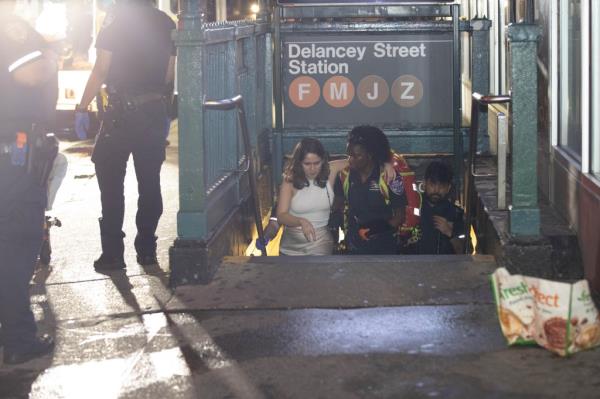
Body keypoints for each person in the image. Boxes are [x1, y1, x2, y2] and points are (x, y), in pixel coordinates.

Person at [75, 0, 176, 270]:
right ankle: (146, 250)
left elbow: (101, 70)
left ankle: (113, 254)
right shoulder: (166, 23)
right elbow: (169, 73)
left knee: (110, 182)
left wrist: (82, 107)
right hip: (154, 112)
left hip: (120, 115)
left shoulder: (115, 24)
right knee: (149, 182)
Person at [0, 0, 58, 364]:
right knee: (17, 242)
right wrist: (52, 56)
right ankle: (19, 339)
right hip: (13, 152)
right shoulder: (12, 30)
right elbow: (29, 73)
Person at [333, 125, 407, 255]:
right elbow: (337, 207)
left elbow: (400, 217)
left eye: (356, 156)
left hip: (384, 248)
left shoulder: (389, 177)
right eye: (349, 155)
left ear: (370, 155)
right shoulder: (344, 176)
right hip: (354, 248)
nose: (350, 160)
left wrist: (373, 230)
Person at [276, 138, 345, 256]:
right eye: (307, 164)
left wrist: (388, 162)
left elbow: (362, 159)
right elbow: (281, 216)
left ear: (323, 161)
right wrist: (301, 221)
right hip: (290, 244)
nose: (312, 169)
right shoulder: (289, 180)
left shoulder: (331, 170)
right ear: (299, 162)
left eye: (317, 163)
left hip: (320, 242)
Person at [413, 161, 465, 255]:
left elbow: (466, 251)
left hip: (446, 267)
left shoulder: (455, 213)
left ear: (448, 188)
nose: (436, 190)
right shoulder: (413, 206)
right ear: (424, 184)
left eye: (442, 186)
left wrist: (450, 232)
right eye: (432, 185)